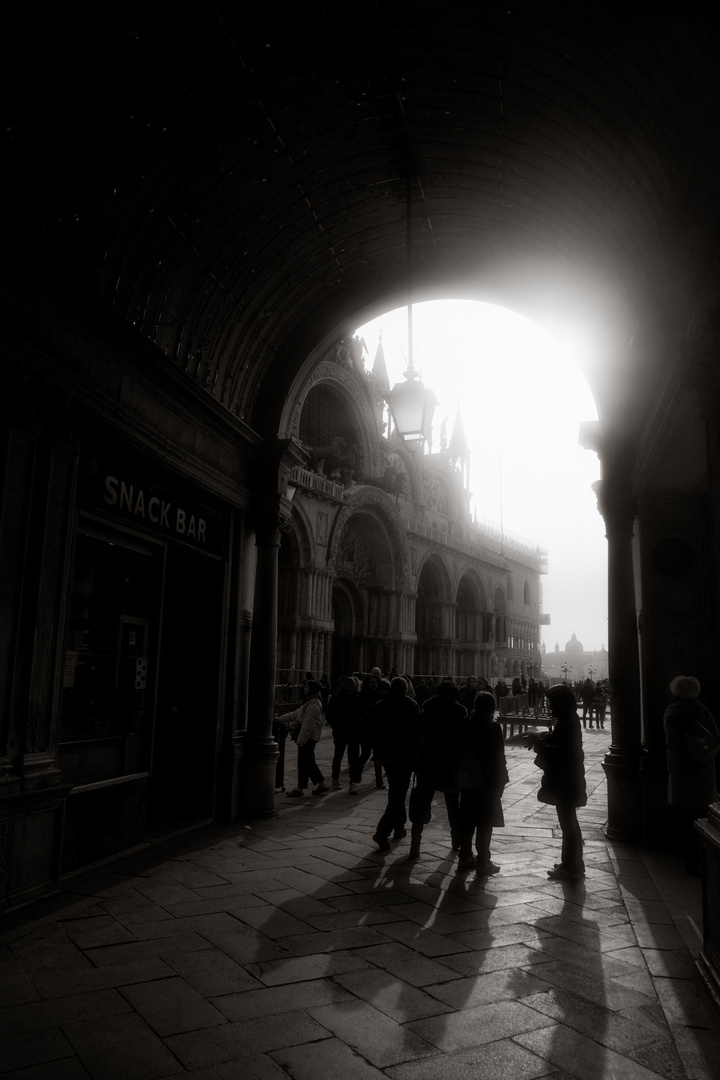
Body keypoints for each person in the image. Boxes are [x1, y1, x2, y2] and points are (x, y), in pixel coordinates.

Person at [523, 682, 587, 879]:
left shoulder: (567, 723)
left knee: (568, 823)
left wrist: (539, 743)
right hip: (569, 780)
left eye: (552, 703)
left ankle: (572, 867)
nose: (549, 706)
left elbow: (561, 753)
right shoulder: (568, 720)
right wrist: (542, 737)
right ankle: (571, 863)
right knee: (568, 822)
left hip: (566, 781)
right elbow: (559, 742)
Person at [663, 675, 720, 876]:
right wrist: (703, 759)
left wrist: (686, 761)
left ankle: (690, 860)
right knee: (704, 814)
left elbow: (673, 742)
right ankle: (705, 857)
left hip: (683, 772)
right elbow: (715, 741)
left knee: (685, 818)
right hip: (704, 771)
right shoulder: (704, 711)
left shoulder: (673, 712)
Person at [448, 691, 509, 874]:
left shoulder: (467, 725)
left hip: (469, 779)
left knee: (467, 819)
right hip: (489, 781)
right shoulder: (494, 728)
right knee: (485, 822)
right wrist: (503, 779)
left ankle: (465, 857)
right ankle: (483, 860)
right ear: (492, 707)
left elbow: (458, 751)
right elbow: (499, 757)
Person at [408, 681, 468, 859]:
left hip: (428, 761)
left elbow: (417, 734)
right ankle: (456, 841)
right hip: (451, 764)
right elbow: (464, 741)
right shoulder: (460, 712)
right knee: (453, 805)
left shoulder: (426, 708)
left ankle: (415, 845)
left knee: (422, 803)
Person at [369, 677, 421, 850]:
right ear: (405, 689)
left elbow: (373, 733)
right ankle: (381, 832)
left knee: (396, 791)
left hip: (385, 756)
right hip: (403, 757)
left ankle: (399, 828)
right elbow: (416, 734)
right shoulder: (411, 705)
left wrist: (376, 755)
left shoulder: (378, 706)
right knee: (398, 796)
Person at [284, 679, 328, 797]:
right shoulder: (309, 702)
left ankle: (303, 788)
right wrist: (279, 719)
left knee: (306, 762)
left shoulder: (313, 703)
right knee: (306, 762)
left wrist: (301, 741)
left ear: (312, 689)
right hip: (308, 737)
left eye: (307, 687)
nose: (304, 689)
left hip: (308, 738)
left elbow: (308, 724)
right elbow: (296, 714)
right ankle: (313, 786)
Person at [325, 675, 363, 792]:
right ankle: (335, 778)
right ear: (344, 686)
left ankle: (353, 782)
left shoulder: (358, 699)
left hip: (354, 733)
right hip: (340, 732)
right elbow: (329, 715)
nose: (349, 688)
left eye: (352, 686)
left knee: (354, 759)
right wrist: (335, 727)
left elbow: (362, 715)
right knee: (338, 756)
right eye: (347, 685)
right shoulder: (336, 699)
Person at [358, 672, 385, 788]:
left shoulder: (381, 696)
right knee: (365, 754)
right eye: (371, 682)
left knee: (378, 757)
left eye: (375, 682)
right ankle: (355, 777)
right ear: (367, 684)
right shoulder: (362, 696)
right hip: (367, 730)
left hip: (378, 730)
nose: (374, 684)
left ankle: (379, 781)